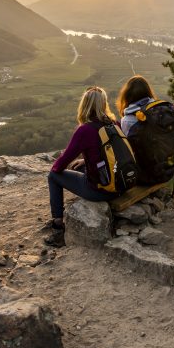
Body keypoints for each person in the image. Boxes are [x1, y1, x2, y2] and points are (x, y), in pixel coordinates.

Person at [44, 86, 121, 246]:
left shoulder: (84, 130)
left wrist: (55, 168)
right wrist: (86, 162)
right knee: (78, 167)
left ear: (84, 104)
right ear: (104, 104)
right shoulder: (114, 124)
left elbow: (62, 163)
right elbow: (111, 155)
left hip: (100, 191)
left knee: (53, 176)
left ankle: (58, 227)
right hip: (120, 185)